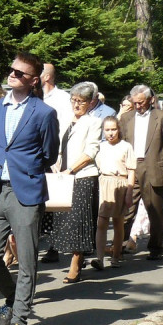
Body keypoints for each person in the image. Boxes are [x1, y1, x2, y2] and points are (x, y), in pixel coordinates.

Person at [0, 52, 59, 325]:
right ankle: (12, 297)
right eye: (11, 70)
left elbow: (49, 153)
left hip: (26, 191)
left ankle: (18, 324)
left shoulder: (43, 113)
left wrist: (27, 169)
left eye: (20, 73)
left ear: (34, 81)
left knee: (27, 261)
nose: (12, 75)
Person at [50, 84, 103, 283]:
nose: (76, 104)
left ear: (90, 103)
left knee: (79, 221)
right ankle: (61, 253)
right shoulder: (65, 120)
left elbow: (90, 152)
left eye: (81, 101)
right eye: (74, 100)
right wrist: (56, 165)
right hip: (62, 176)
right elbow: (58, 147)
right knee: (63, 219)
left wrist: (71, 169)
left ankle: (76, 261)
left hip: (82, 176)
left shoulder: (94, 122)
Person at [119, 85, 163, 260]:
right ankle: (119, 245)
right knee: (125, 208)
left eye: (141, 103)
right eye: (135, 103)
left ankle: (156, 247)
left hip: (153, 166)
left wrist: (161, 164)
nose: (138, 106)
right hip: (131, 167)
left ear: (151, 100)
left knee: (155, 210)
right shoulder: (126, 118)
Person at [94, 117, 136, 268]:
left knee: (118, 222)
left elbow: (131, 171)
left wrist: (129, 192)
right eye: (107, 130)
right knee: (102, 221)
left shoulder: (126, 146)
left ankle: (116, 256)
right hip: (104, 182)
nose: (111, 133)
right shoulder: (100, 146)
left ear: (118, 129)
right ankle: (99, 258)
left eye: (113, 129)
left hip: (120, 184)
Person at [41, 63, 73, 135]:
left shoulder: (64, 98)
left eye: (38, 73)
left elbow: (65, 128)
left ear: (47, 77)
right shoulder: (32, 96)